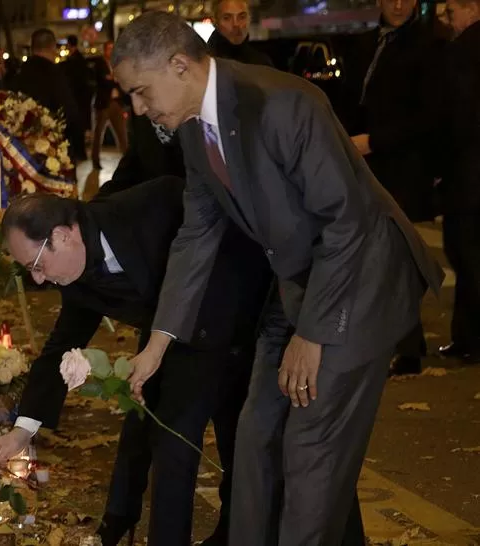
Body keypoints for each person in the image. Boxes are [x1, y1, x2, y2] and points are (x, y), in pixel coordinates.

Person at [112, 12, 444, 546]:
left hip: (359, 281)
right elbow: (196, 236)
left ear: (179, 66)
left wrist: (311, 335)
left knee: (309, 450)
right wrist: (158, 343)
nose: (137, 108)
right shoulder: (195, 130)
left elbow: (348, 223)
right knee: (256, 438)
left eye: (141, 92)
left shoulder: (283, 104)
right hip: (298, 285)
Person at [0, 179, 272, 546]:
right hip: (168, 338)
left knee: (209, 439)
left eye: (37, 264)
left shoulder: (149, 209)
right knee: (162, 433)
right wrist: (22, 431)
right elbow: (61, 345)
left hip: (234, 311)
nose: (39, 278)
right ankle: (138, 526)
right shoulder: (74, 272)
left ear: (64, 234)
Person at [343, 0, 444, 375]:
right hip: (366, 165)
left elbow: (429, 116)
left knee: (395, 261)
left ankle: (407, 346)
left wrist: (375, 140)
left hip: (400, 168)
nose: (399, 5)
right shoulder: (366, 43)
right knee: (377, 261)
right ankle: (398, 343)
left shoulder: (426, 46)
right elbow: (352, 98)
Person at [439, 0, 480, 363]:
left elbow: (454, 119)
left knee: (464, 254)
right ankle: (466, 337)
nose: (448, 21)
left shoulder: (461, 54)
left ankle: (470, 338)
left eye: (451, 12)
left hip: (467, 175)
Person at [9, 29, 83, 159]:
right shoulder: (55, 74)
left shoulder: (20, 73)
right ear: (53, 47)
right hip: (52, 150)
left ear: (32, 48)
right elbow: (69, 111)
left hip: (23, 153)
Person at [91, 41, 129, 170]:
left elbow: (123, 81)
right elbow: (101, 80)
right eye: (109, 49)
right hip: (104, 103)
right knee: (98, 134)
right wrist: (112, 79)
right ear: (105, 50)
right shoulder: (100, 64)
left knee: (122, 134)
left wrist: (112, 78)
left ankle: (128, 161)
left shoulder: (117, 64)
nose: (111, 52)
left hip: (116, 103)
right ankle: (95, 160)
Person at [207, 0, 273, 66]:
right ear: (215, 22)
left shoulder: (261, 63)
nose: (236, 24)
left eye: (242, 17)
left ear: (249, 19)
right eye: (227, 18)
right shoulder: (205, 62)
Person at [62, 35, 92, 161]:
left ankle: (79, 153)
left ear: (69, 45)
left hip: (77, 98)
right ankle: (80, 152)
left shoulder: (73, 60)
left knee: (77, 128)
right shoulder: (79, 59)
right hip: (80, 98)